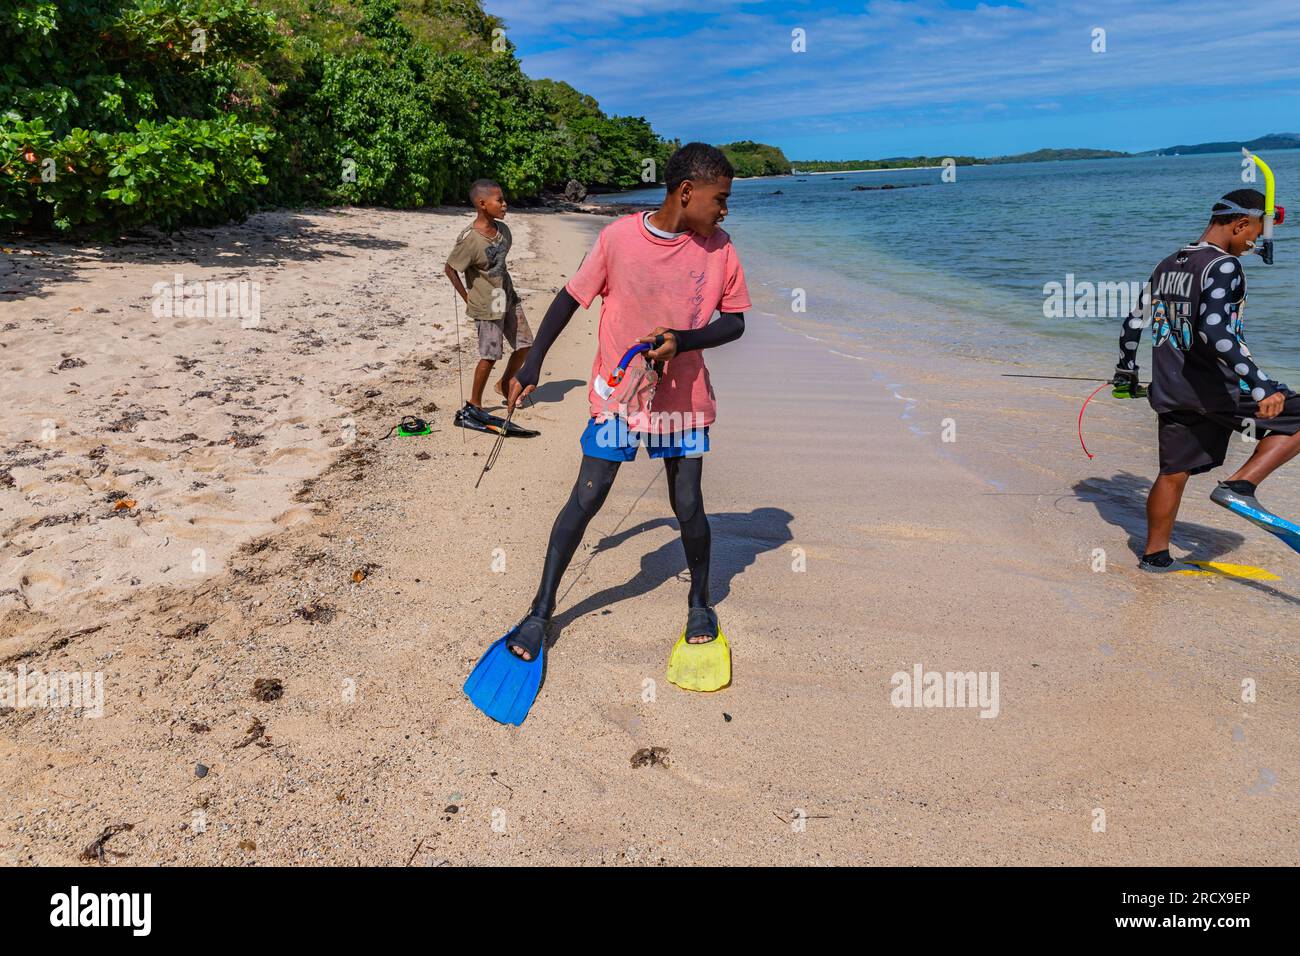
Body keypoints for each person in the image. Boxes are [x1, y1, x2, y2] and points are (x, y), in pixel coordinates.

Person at [501, 142, 752, 662]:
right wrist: (534, 361)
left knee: (687, 504)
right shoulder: (617, 239)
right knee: (588, 496)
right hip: (619, 400)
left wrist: (683, 340)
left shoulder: (721, 248)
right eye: (720, 199)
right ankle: (541, 609)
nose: (725, 210)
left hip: (683, 401)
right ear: (687, 192)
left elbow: (734, 321)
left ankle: (699, 601)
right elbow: (572, 296)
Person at [1114, 188, 1299, 571]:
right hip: (1218, 388)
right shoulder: (1224, 266)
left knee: (1172, 472)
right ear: (1240, 223)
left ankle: (1155, 557)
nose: (1255, 243)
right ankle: (1239, 487)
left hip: (1173, 388)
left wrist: (1126, 373)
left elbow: (1134, 320)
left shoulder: (1168, 263)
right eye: (1256, 233)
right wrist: (1261, 385)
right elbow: (1215, 331)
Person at [443, 179, 533, 427]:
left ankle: (504, 383)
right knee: (490, 354)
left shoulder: (504, 232)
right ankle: (474, 404)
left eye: (504, 200)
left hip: (508, 297)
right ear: (482, 204)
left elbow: (499, 264)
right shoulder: (470, 240)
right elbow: (450, 269)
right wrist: (468, 297)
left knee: (525, 344)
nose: (505, 204)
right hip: (487, 303)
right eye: (499, 200)